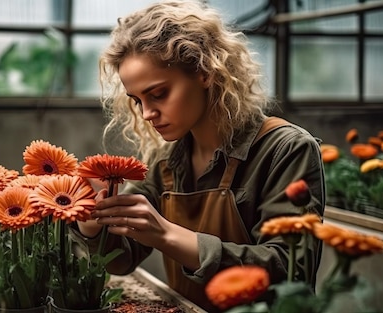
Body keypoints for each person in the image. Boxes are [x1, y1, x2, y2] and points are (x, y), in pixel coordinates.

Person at [72, 0, 325, 311]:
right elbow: (122, 259)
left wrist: (166, 234)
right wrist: (91, 221)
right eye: (137, 100)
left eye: (159, 93)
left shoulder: (285, 149)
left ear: (204, 72)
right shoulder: (167, 163)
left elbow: (289, 271)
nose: (148, 113)